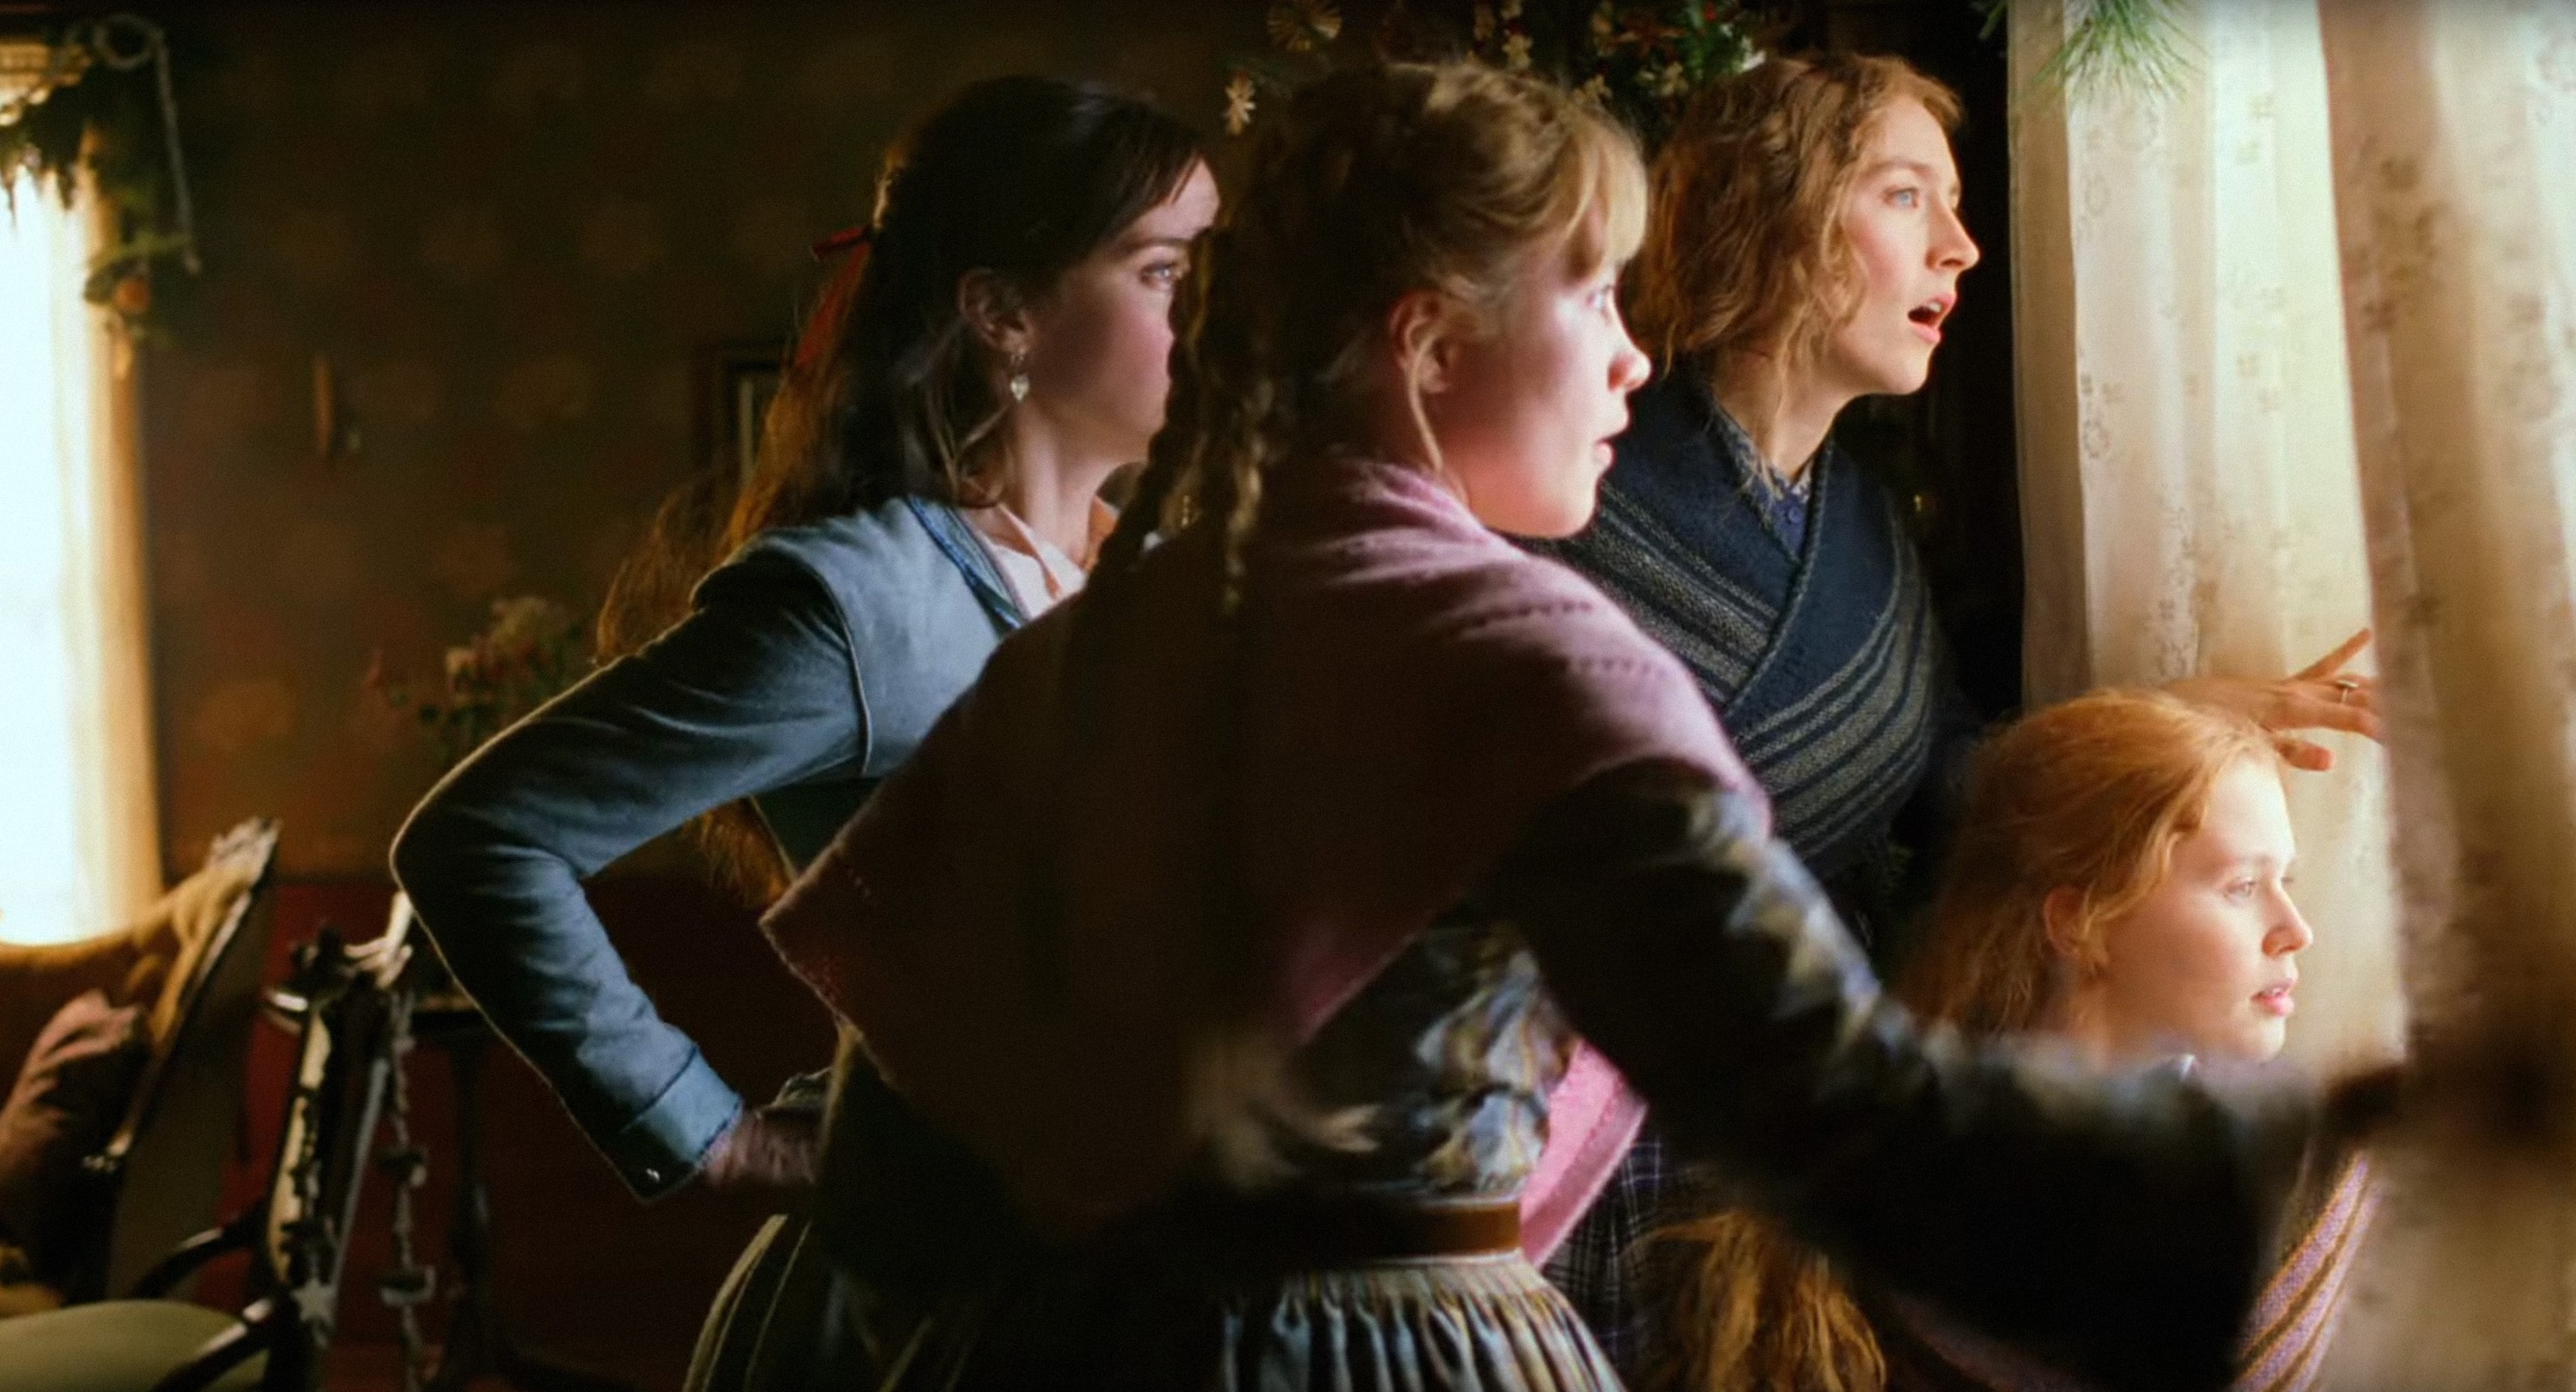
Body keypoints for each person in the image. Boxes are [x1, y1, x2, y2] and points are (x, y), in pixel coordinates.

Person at [758, 60, 2337, 1392]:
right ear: (1430, 343)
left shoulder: (1109, 636)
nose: (1634, 351)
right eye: (1591, 293)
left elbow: (895, 1170)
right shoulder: (1544, 651)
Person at [1537, 53, 2381, 1358]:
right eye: (1905, 197)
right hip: (1588, 1137)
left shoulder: (1866, 529)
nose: (1964, 246)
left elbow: (1946, 788)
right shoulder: (1586, 498)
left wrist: (2168, 724)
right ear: (1782, 215)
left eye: (1955, 204)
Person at [388, 75, 1214, 1388]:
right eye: (1169, 271)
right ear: (1004, 311)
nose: (1211, 315)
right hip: (921, 1317)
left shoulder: (1162, 575)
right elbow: (481, 837)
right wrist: (711, 1133)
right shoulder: (863, 604)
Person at [1639, 690, 2377, 1392]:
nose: (2296, 930)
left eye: (2288, 880)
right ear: (2079, 923)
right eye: (2242, 887)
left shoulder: (2316, 1172)